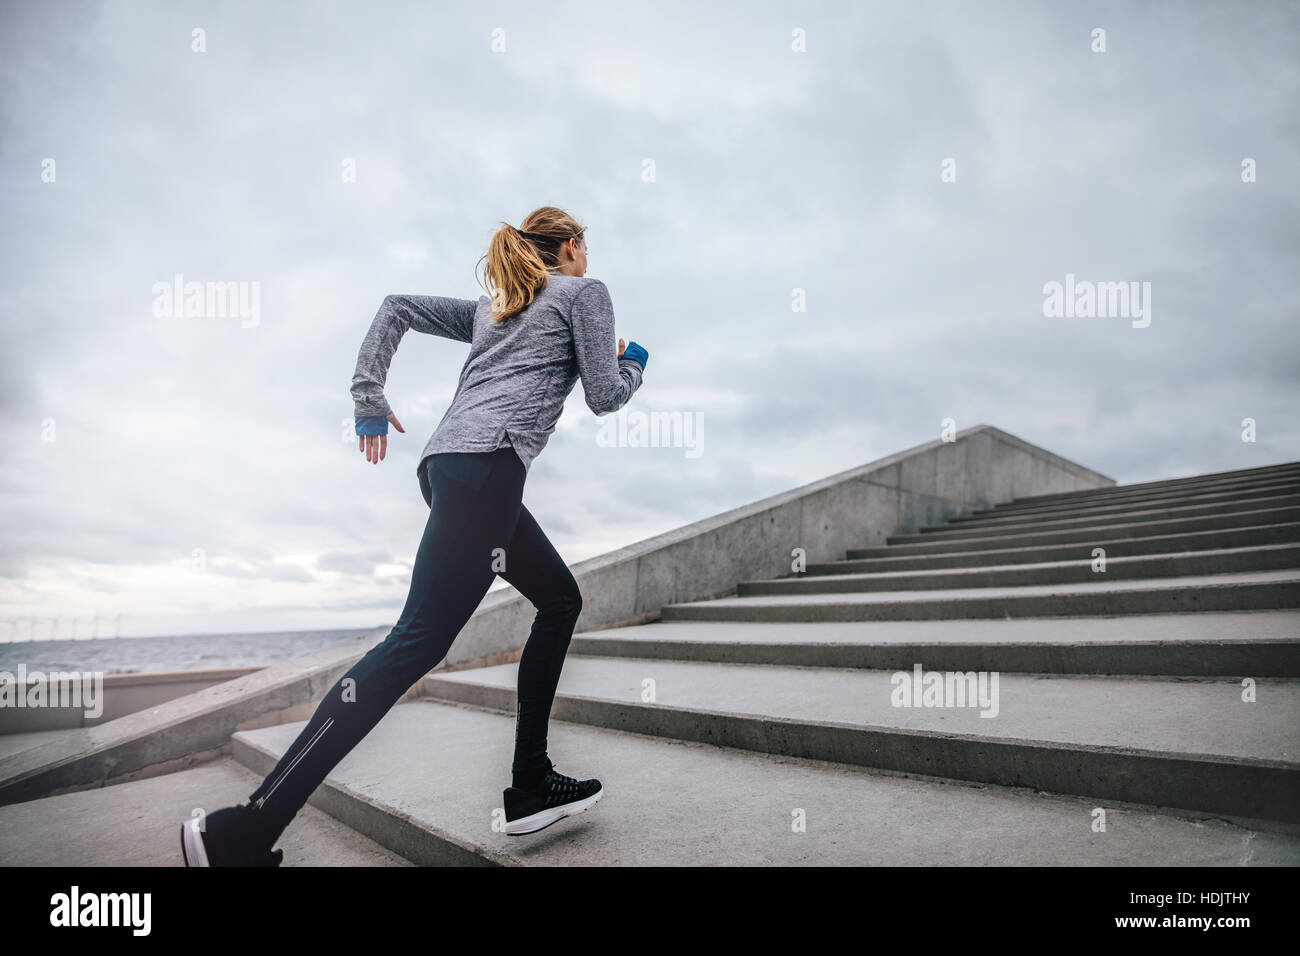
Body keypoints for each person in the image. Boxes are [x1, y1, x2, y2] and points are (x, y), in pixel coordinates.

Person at [181, 206, 648, 865]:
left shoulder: (497, 307)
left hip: (453, 469)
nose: (586, 262)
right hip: (490, 471)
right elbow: (603, 394)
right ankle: (242, 832)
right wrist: (633, 364)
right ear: (570, 247)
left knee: (560, 599)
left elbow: (396, 305)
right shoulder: (584, 293)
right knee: (412, 645)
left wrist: (368, 395)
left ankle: (532, 782)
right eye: (584, 251)